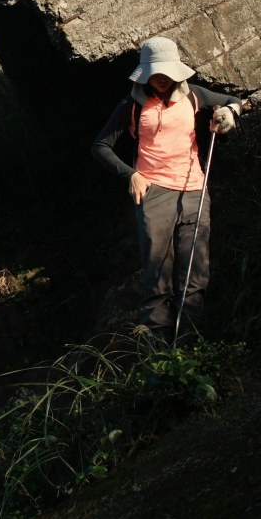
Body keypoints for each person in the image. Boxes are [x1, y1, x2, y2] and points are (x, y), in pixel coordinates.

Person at [91, 36, 243, 343]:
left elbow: (233, 101)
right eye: (155, 72)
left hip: (194, 190)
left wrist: (229, 113)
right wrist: (132, 175)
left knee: (195, 276)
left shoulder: (194, 95)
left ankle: (190, 347)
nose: (161, 78)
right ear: (145, 73)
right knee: (157, 275)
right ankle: (157, 352)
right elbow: (100, 146)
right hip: (154, 193)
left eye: (166, 72)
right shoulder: (132, 105)